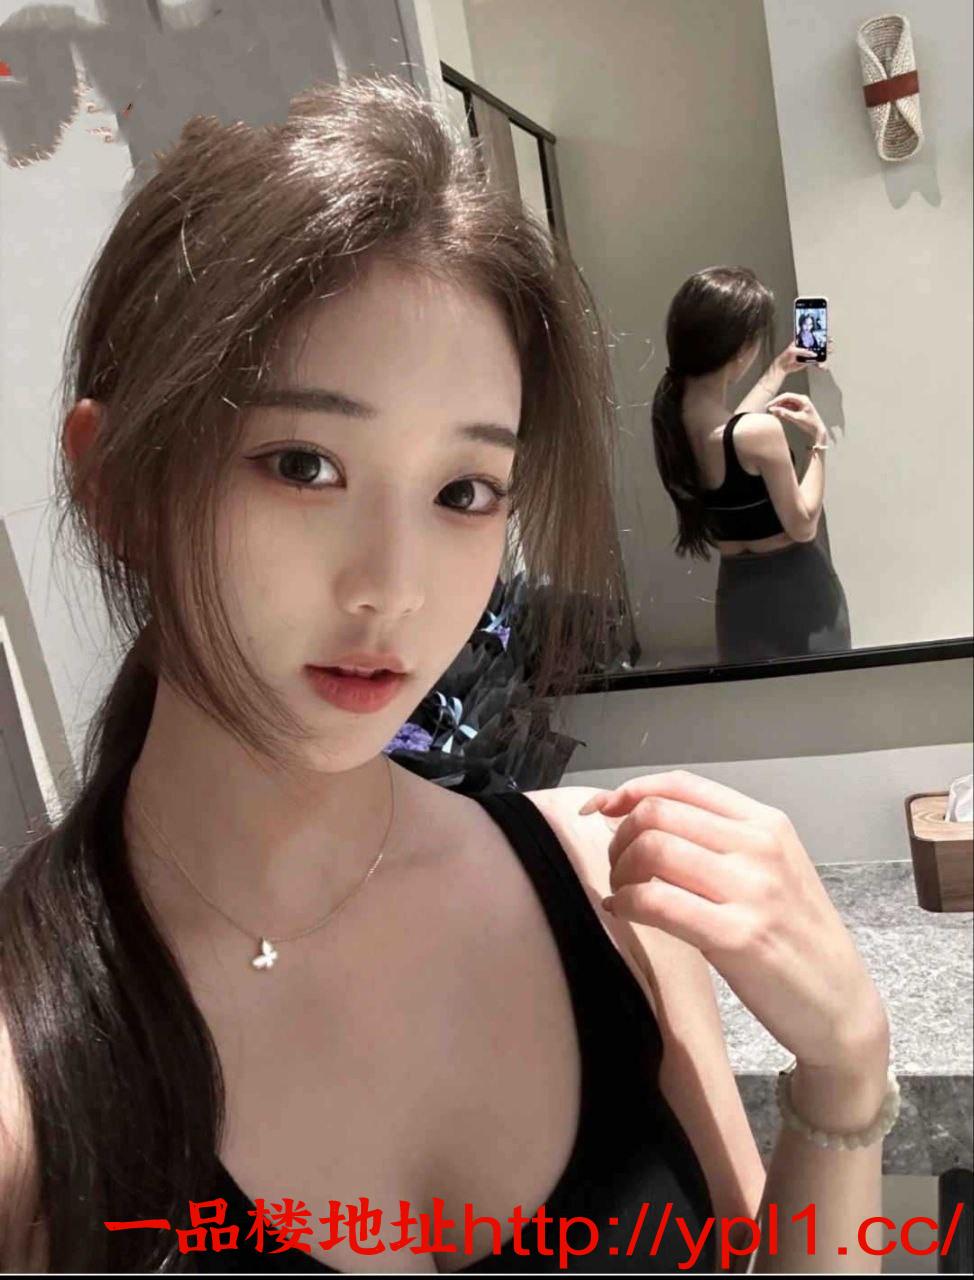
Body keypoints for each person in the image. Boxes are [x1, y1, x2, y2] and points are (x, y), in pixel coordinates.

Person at [1, 79, 892, 1274]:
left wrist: (842, 1076)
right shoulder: (30, 1081)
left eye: (463, 490)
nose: (393, 586)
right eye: (302, 464)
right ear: (115, 485)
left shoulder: (609, 890)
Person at [651, 267, 852, 662]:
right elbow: (803, 525)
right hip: (799, 597)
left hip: (738, 601)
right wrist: (818, 444)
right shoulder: (759, 433)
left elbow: (734, 434)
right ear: (740, 348)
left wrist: (778, 369)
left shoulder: (674, 422)